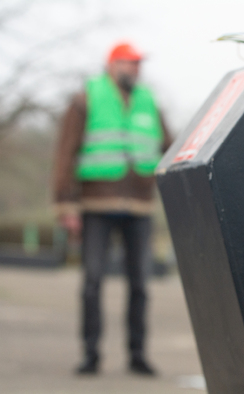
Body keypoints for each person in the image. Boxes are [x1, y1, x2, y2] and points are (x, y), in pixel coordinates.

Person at [53, 42, 173, 375]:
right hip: (96, 205)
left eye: (138, 64)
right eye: (129, 63)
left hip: (139, 207)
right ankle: (90, 354)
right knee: (92, 282)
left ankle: (138, 355)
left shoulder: (149, 101)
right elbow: (65, 154)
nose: (135, 69)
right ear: (111, 65)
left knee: (140, 285)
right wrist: (65, 204)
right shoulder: (85, 99)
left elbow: (169, 147)